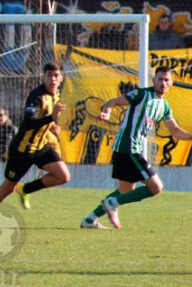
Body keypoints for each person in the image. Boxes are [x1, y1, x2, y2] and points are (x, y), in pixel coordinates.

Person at [80, 66, 192, 230]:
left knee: (125, 191)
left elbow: (175, 131)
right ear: (153, 81)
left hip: (129, 150)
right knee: (156, 187)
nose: (163, 83)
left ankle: (90, 220)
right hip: (128, 148)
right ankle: (112, 203)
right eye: (159, 79)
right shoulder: (141, 94)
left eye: (166, 80)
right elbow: (113, 102)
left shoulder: (164, 106)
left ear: (171, 84)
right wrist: (107, 112)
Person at [0, 62, 70, 230]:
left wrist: (52, 126)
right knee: (8, 187)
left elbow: (45, 119)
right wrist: (51, 118)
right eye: (49, 75)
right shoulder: (36, 96)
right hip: (22, 150)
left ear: (61, 78)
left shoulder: (57, 94)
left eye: (56, 76)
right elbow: (29, 122)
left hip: (41, 147)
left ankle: (26, 189)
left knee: (63, 176)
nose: (52, 79)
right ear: (43, 76)